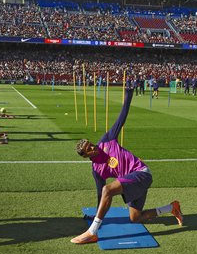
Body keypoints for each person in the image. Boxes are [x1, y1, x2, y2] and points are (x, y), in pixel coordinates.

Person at [71, 85, 183, 244]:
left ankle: (92, 232)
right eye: (88, 148)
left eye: (90, 144)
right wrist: (96, 213)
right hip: (132, 183)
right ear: (85, 156)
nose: (92, 146)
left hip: (141, 173)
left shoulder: (107, 140)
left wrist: (128, 96)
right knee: (135, 218)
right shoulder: (96, 170)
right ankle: (171, 207)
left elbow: (120, 119)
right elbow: (99, 194)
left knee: (107, 189)